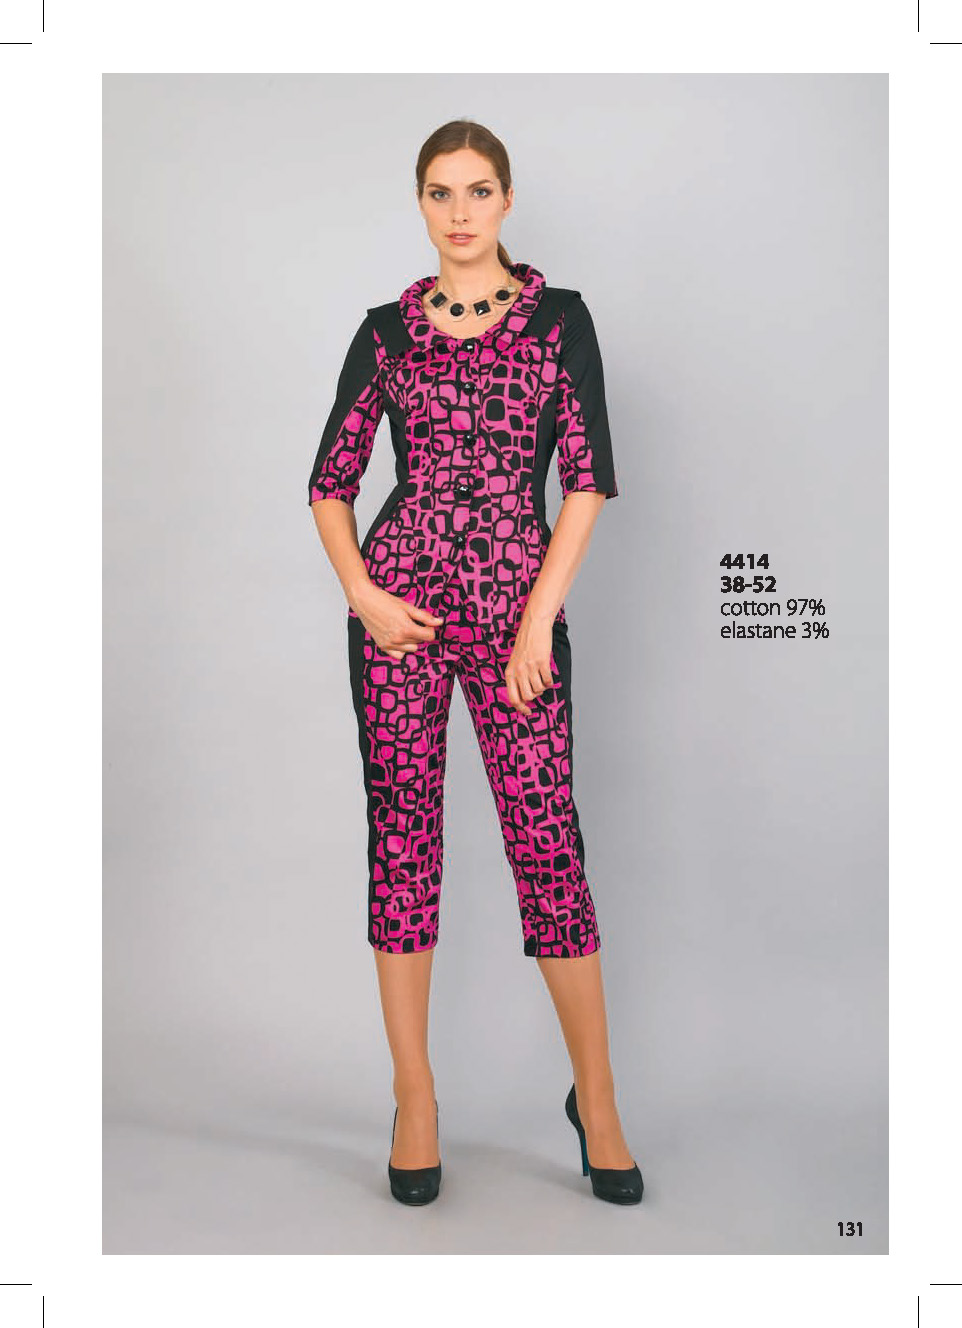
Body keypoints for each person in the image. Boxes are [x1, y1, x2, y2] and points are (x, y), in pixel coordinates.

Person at [308, 118, 643, 1207]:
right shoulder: (386, 334)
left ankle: (597, 1099)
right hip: (398, 618)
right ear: (420, 203)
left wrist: (539, 620)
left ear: (506, 200)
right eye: (440, 193)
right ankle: (414, 1097)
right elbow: (330, 482)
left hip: (513, 623)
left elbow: (587, 477)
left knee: (546, 843)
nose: (460, 212)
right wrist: (364, 596)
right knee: (402, 839)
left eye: (479, 190)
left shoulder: (557, 321)